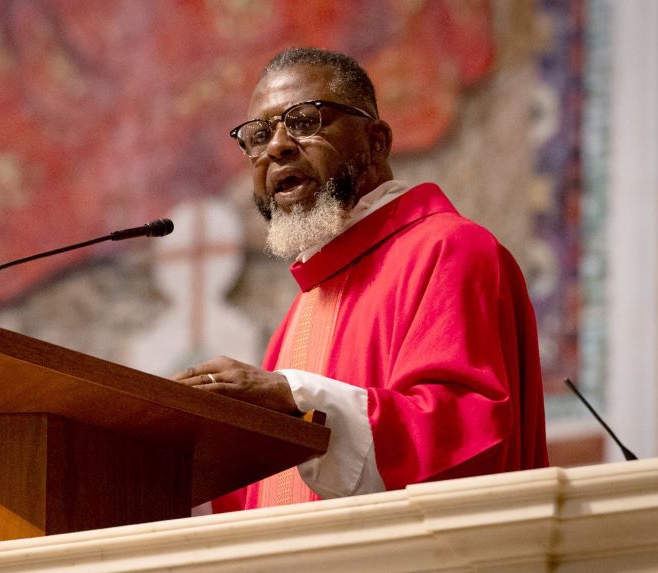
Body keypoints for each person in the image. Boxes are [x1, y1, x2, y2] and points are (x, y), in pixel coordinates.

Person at [173, 47, 548, 512]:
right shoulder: (304, 310)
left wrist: (295, 397)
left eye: (305, 120)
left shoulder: (450, 250)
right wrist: (170, 469)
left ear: (376, 142)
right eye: (258, 135)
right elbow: (269, 497)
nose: (276, 147)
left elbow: (466, 439)